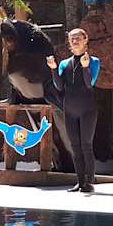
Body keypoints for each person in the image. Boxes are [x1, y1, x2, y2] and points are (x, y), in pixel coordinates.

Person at [47, 28, 101, 194]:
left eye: (78, 38)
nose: (75, 41)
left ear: (85, 40)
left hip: (87, 110)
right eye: (72, 39)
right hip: (70, 110)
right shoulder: (65, 64)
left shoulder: (94, 61)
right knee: (75, 147)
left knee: (86, 145)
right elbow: (59, 86)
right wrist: (54, 68)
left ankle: (89, 182)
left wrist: (85, 67)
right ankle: (80, 181)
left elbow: (89, 83)